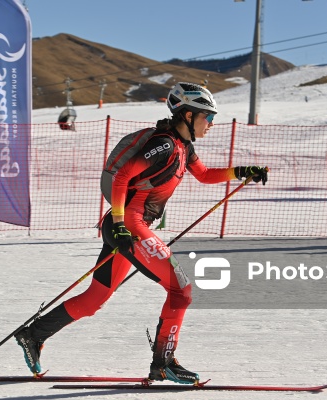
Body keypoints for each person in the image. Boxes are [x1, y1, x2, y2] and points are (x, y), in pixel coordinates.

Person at [15, 82, 268, 384]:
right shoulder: (163, 144)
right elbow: (123, 176)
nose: (211, 123)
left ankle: (33, 334)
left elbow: (203, 175)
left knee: (94, 299)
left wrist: (241, 172)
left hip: (124, 226)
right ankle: (164, 363)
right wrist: (122, 224)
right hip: (128, 226)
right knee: (181, 290)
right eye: (207, 116)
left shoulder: (183, 147)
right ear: (188, 114)